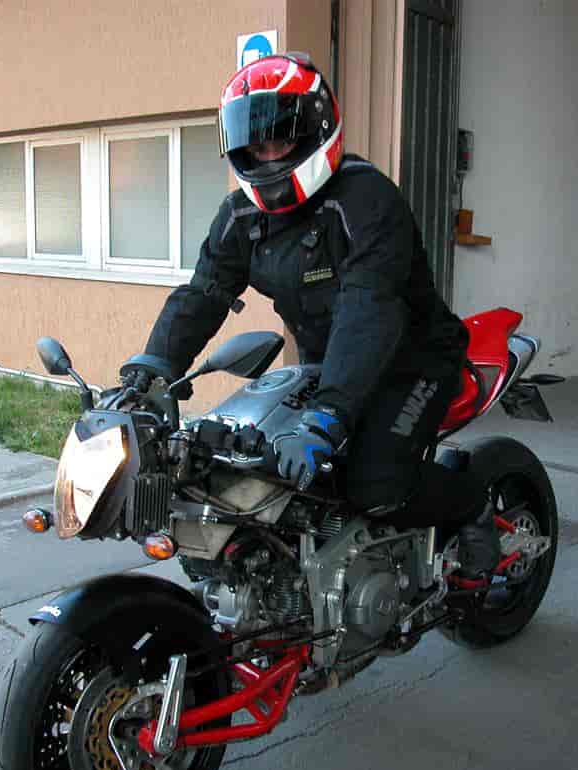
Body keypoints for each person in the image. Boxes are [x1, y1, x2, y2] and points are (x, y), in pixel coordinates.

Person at [120, 53, 499, 577]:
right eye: (255, 145)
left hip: (413, 359)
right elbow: (204, 293)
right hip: (328, 362)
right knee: (250, 471)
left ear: (317, 131)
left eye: (279, 140)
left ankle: (471, 503)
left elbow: (370, 307)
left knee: (375, 484)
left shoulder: (365, 199)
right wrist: (151, 369)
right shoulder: (240, 214)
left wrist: (329, 413)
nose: (266, 154)